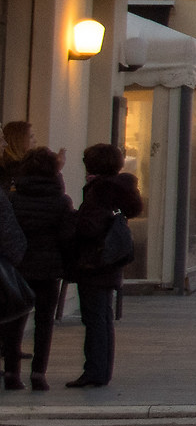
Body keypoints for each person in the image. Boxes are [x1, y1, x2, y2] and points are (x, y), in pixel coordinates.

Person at [65, 143, 144, 389]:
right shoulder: (118, 189)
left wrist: (73, 219)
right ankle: (101, 370)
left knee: (95, 318)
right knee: (103, 317)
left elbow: (90, 226)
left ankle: (95, 370)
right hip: (110, 260)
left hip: (94, 261)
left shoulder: (99, 190)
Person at [5, 149, 74, 390]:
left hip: (19, 267)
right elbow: (66, 237)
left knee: (15, 321)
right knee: (45, 321)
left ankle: (12, 372)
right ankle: (38, 373)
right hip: (49, 267)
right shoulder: (61, 201)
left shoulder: (13, 199)